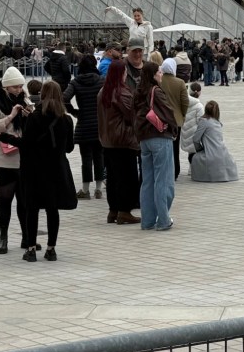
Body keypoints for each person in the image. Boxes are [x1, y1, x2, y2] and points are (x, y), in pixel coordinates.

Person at [0, 82, 76, 262]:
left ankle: (31, 249)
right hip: (57, 170)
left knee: (32, 208)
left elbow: (26, 145)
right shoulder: (67, 119)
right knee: (52, 210)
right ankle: (51, 249)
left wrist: (4, 137)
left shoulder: (35, 117)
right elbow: (69, 148)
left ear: (42, 95)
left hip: (35, 170)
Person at [0, 66, 35, 254]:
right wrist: (11, 116)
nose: (19, 90)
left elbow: (33, 126)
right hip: (4, 156)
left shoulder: (25, 99)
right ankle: (3, 238)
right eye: (15, 87)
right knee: (6, 197)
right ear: (6, 87)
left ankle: (27, 237)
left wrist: (30, 115)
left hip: (23, 154)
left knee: (24, 198)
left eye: (21, 86)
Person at [133, 61, 179, 230]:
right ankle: (163, 219)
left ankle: (147, 221)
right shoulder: (156, 91)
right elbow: (168, 113)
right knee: (164, 180)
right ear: (152, 75)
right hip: (159, 136)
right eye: (159, 72)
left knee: (147, 181)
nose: (161, 74)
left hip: (144, 139)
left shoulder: (138, 91)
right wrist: (174, 129)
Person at [97, 59, 141, 224]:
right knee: (127, 177)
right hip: (123, 140)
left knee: (113, 177)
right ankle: (124, 211)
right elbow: (131, 115)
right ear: (121, 73)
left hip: (107, 140)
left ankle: (113, 210)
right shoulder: (122, 92)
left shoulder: (103, 91)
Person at [63, 54, 105, 199]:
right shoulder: (101, 81)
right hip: (99, 124)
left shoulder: (75, 82)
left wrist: (74, 112)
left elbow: (64, 98)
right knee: (99, 156)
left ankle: (85, 189)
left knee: (86, 158)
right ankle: (98, 189)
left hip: (84, 124)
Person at [191, 101, 238, 182]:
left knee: (195, 158)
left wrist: (199, 149)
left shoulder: (203, 122)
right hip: (223, 153)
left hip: (210, 155)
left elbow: (195, 139)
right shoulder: (218, 123)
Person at [158, 58, 189, 180]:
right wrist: (183, 114)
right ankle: (175, 170)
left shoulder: (159, 81)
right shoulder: (180, 82)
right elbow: (185, 102)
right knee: (175, 147)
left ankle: (165, 169)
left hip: (161, 118)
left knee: (163, 147)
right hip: (176, 120)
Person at [178, 81, 204, 169]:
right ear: (199, 92)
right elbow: (201, 121)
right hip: (195, 133)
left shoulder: (183, 103)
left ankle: (191, 167)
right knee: (196, 152)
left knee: (190, 152)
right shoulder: (199, 106)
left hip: (185, 131)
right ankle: (194, 168)